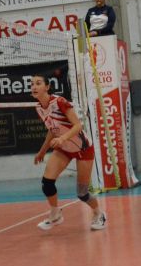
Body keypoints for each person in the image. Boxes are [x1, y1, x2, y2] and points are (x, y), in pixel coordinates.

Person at [31, 75, 107, 232]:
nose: (34, 86)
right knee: (47, 183)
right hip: (64, 149)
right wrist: (42, 151)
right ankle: (55, 214)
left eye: (38, 83)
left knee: (82, 193)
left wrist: (62, 138)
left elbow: (78, 126)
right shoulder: (39, 108)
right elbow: (52, 130)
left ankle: (99, 214)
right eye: (32, 84)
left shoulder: (59, 102)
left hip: (82, 148)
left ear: (47, 87)